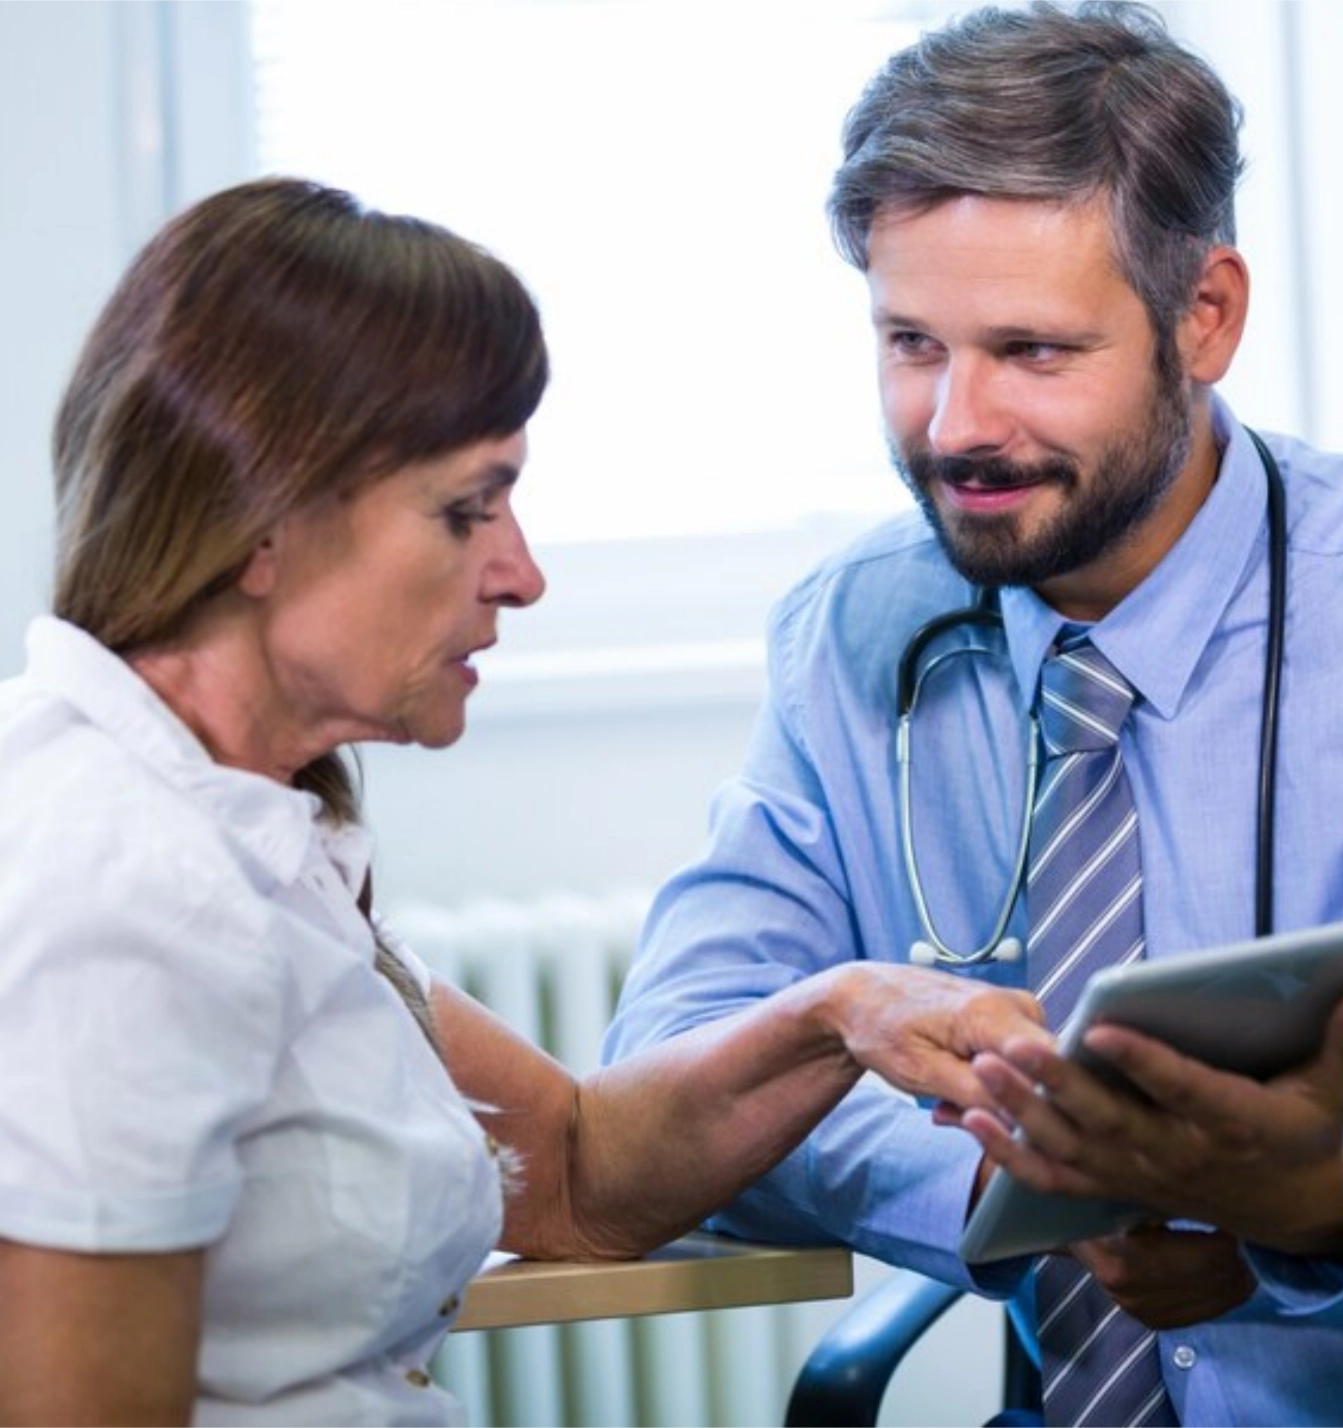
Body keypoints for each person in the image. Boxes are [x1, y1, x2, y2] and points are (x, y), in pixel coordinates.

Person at [0, 176, 1055, 1426]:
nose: (523, 573)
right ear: (257, 528)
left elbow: (571, 1172)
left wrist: (840, 1013)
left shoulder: (246, 830)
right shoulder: (120, 886)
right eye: (466, 509)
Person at [604, 3, 1343, 1425]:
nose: (952, 425)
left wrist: (1325, 1208)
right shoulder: (850, 632)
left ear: (1201, 317)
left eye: (1031, 352)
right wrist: (1001, 1178)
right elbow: (678, 1073)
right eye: (910, 341)